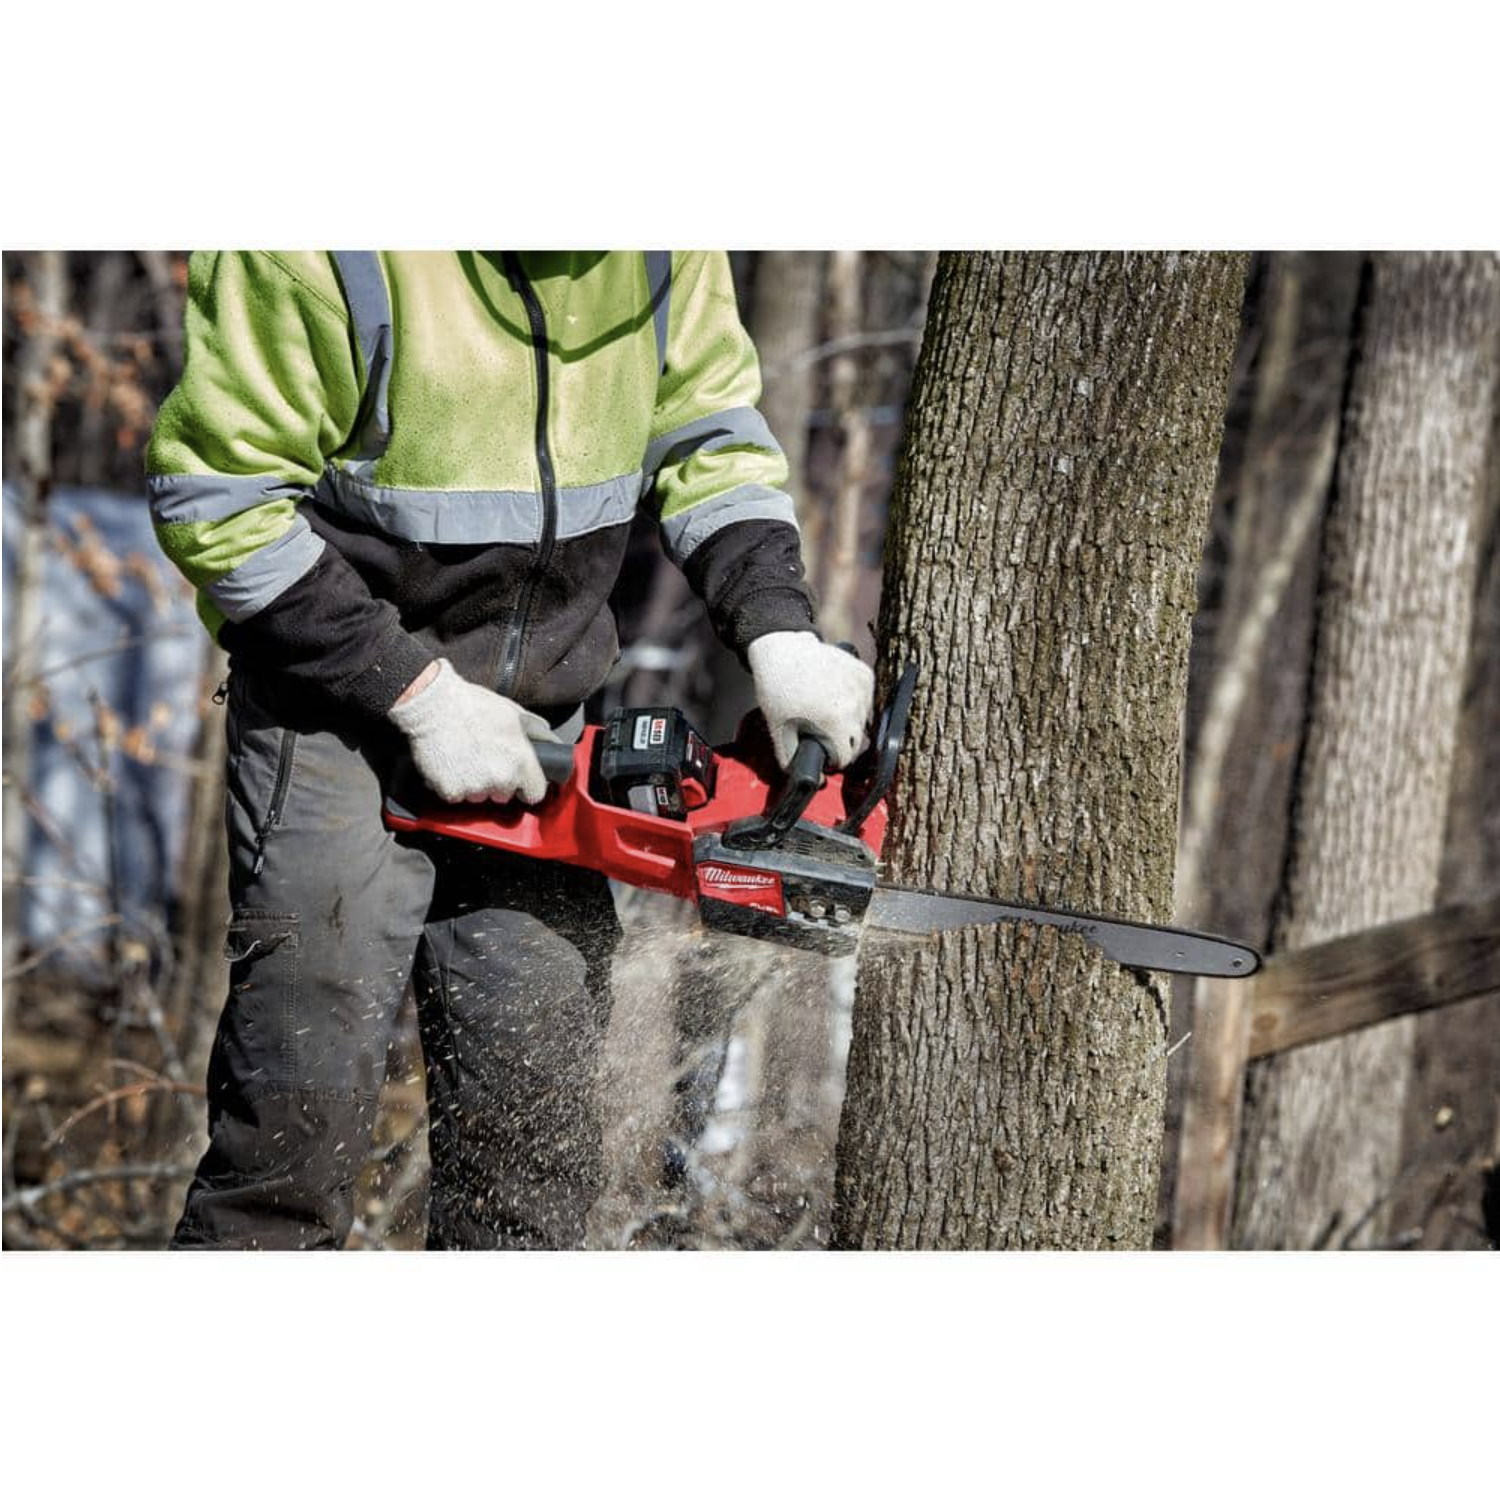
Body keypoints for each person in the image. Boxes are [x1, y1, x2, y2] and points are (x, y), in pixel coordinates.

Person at [146, 251, 874, 1249]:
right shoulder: (312, 247)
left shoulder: (664, 244)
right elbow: (218, 506)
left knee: (534, 1155)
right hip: (333, 708)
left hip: (543, 729)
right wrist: (415, 692)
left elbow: (708, 435)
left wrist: (777, 628)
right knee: (291, 1140)